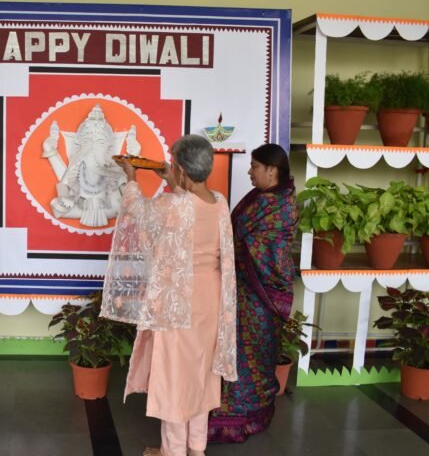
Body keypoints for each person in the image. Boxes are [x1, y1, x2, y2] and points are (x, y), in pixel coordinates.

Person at [100, 134, 237, 456]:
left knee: (176, 376)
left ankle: (172, 451)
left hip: (179, 300)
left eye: (173, 165)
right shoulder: (219, 202)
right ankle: (196, 447)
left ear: (182, 170)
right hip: (211, 299)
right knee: (201, 373)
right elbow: (188, 210)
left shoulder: (173, 205)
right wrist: (172, 181)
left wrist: (131, 178)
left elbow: (138, 213)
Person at [208, 143, 298, 443]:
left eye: (255, 166)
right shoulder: (259, 198)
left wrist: (232, 247)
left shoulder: (281, 204)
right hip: (242, 290)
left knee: (254, 353)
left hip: (260, 295)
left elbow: (268, 247)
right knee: (235, 351)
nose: (250, 171)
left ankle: (245, 415)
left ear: (272, 170)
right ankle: (229, 410)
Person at [43, 103, 140, 227]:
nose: (93, 146)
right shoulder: (78, 163)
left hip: (111, 207)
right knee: (57, 205)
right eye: (88, 141)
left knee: (125, 207)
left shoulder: (113, 167)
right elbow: (64, 185)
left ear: (108, 146)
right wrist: (50, 152)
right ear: (80, 144)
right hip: (81, 205)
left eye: (100, 142)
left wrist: (133, 157)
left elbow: (129, 197)